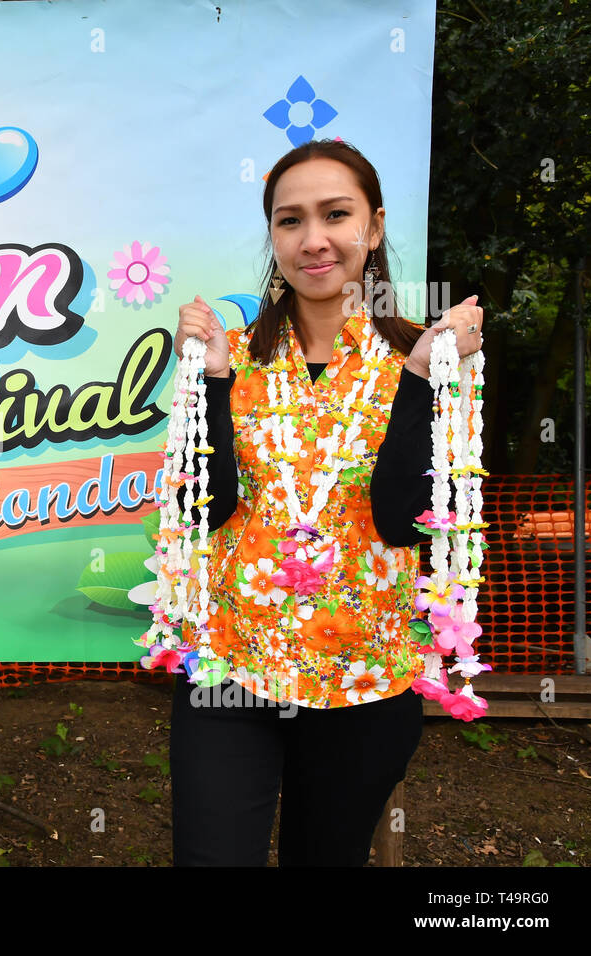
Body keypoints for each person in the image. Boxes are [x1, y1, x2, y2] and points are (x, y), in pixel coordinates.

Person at [165, 139, 484, 866]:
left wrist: (416, 376)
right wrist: (211, 383)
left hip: (364, 686)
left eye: (335, 214)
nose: (313, 240)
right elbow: (204, 511)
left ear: (372, 226)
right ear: (272, 236)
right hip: (233, 673)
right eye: (289, 221)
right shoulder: (234, 356)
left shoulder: (427, 357)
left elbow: (403, 519)